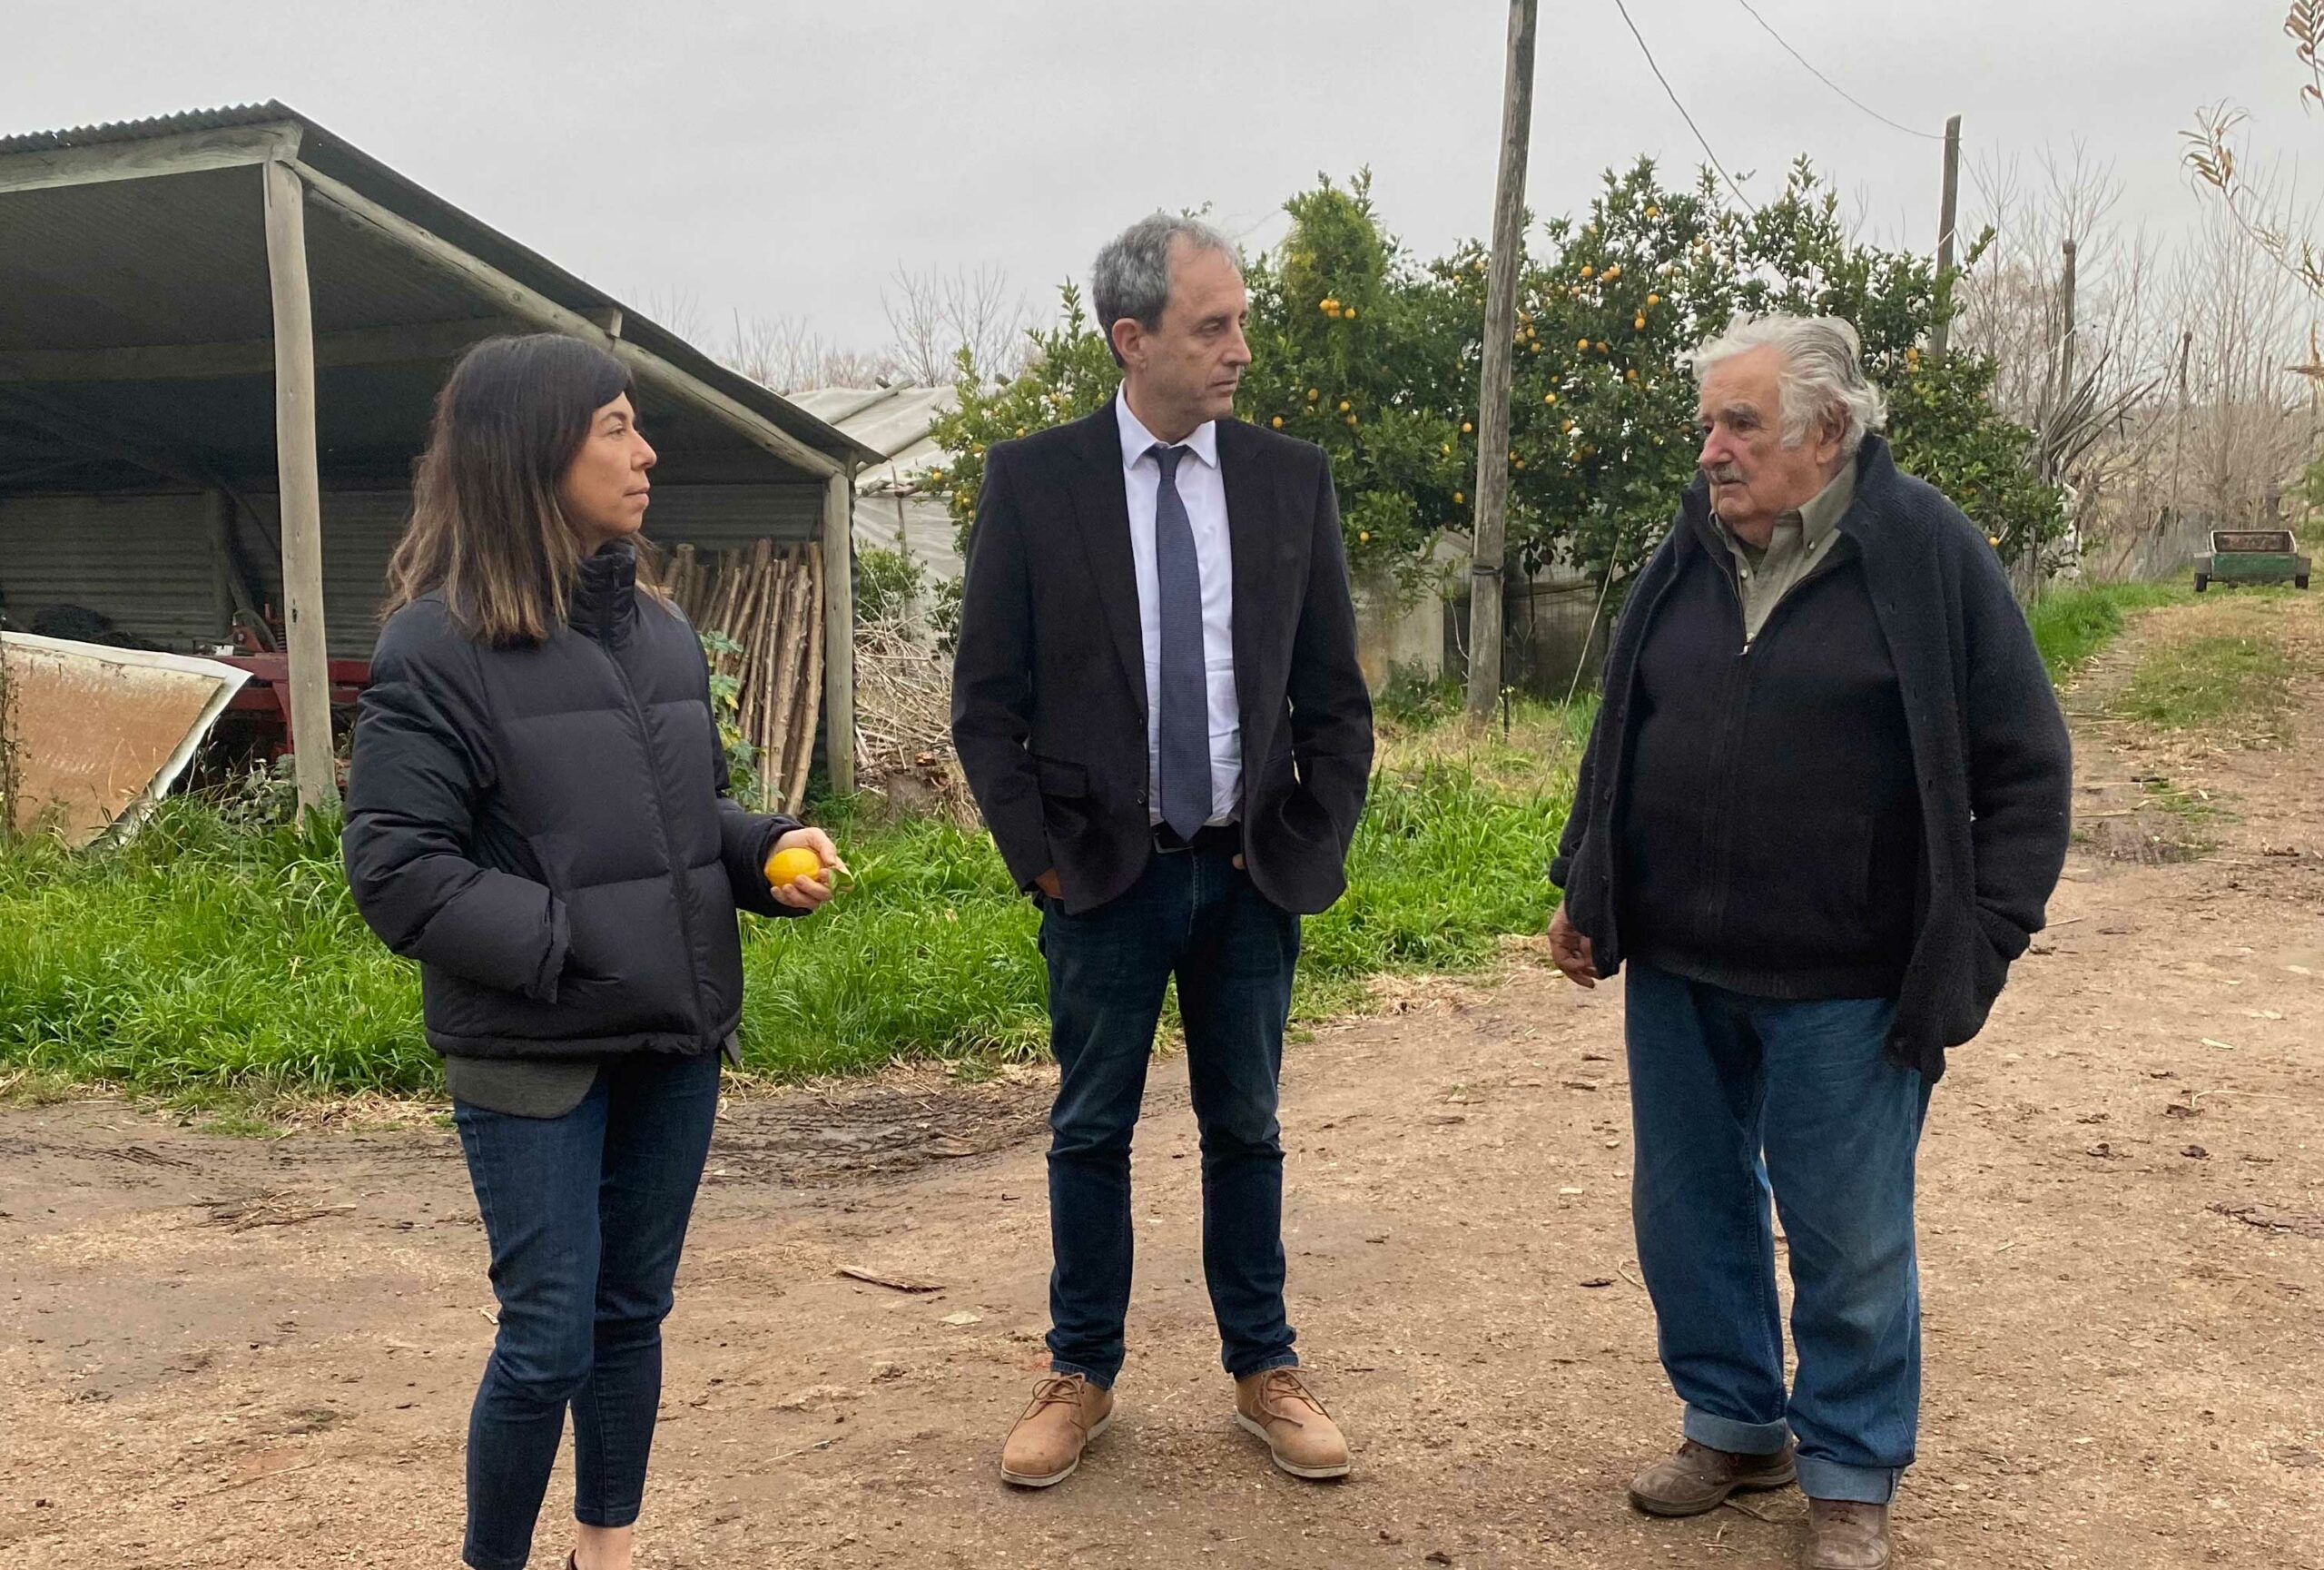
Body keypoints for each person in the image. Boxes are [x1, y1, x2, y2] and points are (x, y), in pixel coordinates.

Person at [1546, 315, 2071, 1570]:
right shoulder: (1687, 549)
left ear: (1827, 433)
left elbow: (2028, 766)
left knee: (1849, 1230)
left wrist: (1979, 938)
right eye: (1709, 424)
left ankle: (1847, 1468)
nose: (1713, 452)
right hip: (1679, 960)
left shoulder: (1925, 551)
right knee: (1689, 1208)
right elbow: (1624, 725)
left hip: (1850, 974)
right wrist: (1587, 882)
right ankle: (1732, 1422)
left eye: (1743, 426)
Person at [342, 333, 840, 1570]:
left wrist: (764, 849)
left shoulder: (660, 635)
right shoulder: (434, 649)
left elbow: (679, 829)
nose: (645, 450)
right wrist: (568, 944)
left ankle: (603, 1551)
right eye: (616, 424)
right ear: (532, 451)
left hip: (669, 1037)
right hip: (533, 1045)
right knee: (550, 1332)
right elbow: (399, 869)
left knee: (630, 1315)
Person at [950, 214, 1374, 1487]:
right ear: (1132, 339)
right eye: (1213, 325)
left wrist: (1313, 833)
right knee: (1091, 1128)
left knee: (1247, 1123)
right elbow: (987, 702)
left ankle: (1265, 1367)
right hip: (1103, 874)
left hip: (1249, 872)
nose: (1240, 346)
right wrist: (1041, 859)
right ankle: (1081, 1369)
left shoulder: (1290, 480)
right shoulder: (1035, 482)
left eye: (1240, 317)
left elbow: (1335, 699)